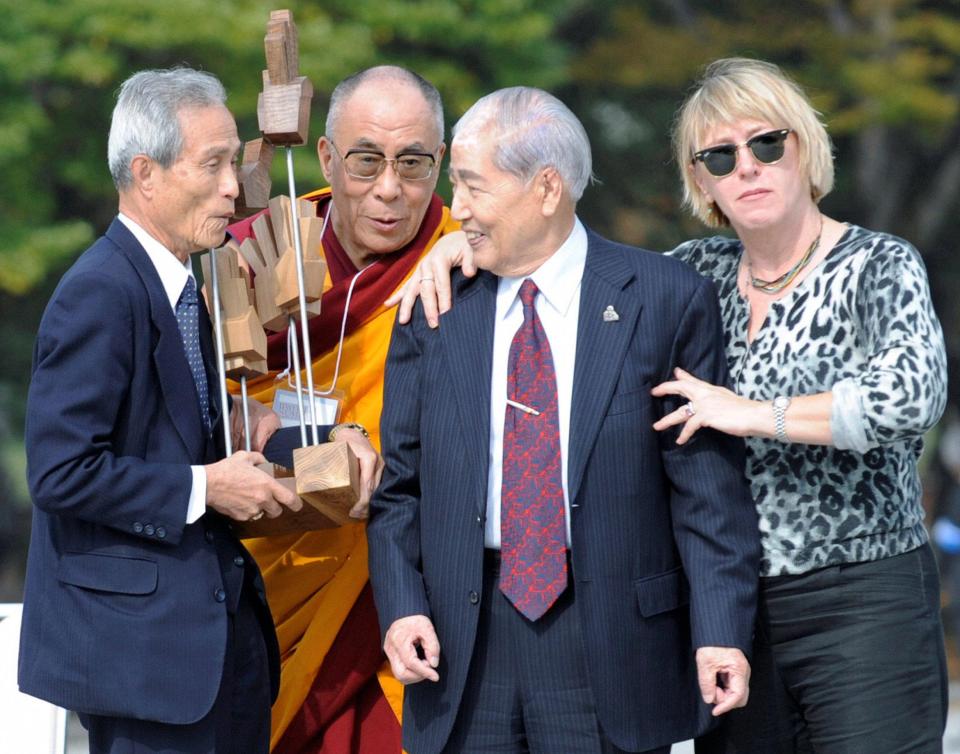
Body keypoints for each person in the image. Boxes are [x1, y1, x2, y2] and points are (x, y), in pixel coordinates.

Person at [401, 58, 950, 754]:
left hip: (860, 598)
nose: (745, 167)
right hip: (732, 606)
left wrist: (751, 412)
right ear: (701, 180)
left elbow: (909, 398)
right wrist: (467, 240)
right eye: (719, 157)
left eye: (766, 143)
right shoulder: (695, 274)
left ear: (805, 148)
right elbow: (567, 253)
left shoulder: (878, 263)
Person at [367, 86, 761, 754]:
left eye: (471, 186)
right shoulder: (436, 305)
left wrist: (721, 629)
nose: (454, 208)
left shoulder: (663, 300)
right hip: (462, 647)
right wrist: (403, 607)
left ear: (546, 188)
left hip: (611, 647)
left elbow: (707, 494)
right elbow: (399, 486)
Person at [19, 68, 303, 754]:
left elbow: (163, 435)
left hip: (215, 651)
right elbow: (59, 472)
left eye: (233, 162)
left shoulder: (180, 283)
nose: (233, 187)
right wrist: (209, 485)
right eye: (212, 165)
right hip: (143, 665)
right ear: (145, 174)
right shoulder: (101, 290)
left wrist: (239, 435)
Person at [225, 65, 459, 753]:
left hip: (397, 610)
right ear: (326, 157)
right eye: (366, 160)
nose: (389, 187)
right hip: (266, 588)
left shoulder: (467, 268)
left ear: (439, 164)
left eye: (412, 163)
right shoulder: (253, 259)